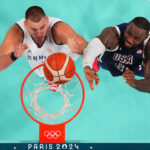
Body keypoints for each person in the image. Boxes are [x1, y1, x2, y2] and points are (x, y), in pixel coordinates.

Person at [0, 6, 87, 77]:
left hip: (62, 52)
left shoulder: (57, 29)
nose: (39, 34)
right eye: (34, 29)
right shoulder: (17, 33)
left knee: (81, 51)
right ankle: (52, 79)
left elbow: (83, 43)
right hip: (39, 61)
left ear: (47, 21)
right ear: (25, 25)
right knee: (42, 73)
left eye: (42, 27)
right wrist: (14, 55)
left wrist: (88, 64)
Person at [82, 17, 150, 93]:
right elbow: (97, 43)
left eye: (136, 38)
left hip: (138, 66)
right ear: (127, 26)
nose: (129, 40)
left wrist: (134, 82)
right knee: (86, 48)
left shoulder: (148, 46)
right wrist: (87, 65)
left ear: (145, 37)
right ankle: (95, 61)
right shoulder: (113, 34)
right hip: (110, 60)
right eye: (129, 33)